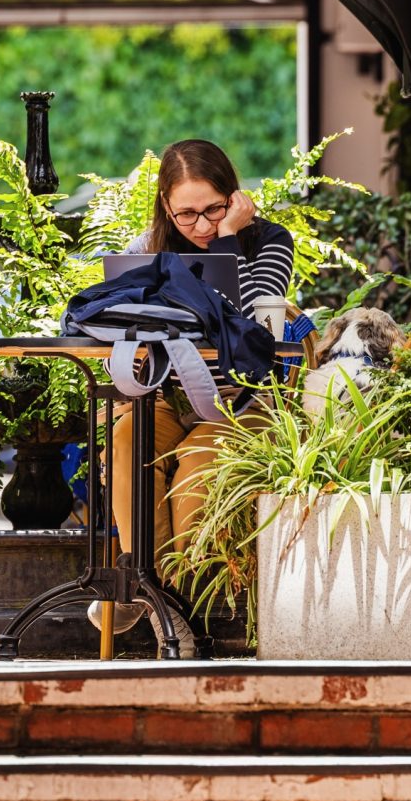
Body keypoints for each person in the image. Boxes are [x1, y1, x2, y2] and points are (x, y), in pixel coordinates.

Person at [92, 139, 294, 653]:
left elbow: (251, 323)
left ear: (235, 197)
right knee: (125, 443)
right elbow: (117, 321)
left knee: (196, 467)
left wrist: (231, 239)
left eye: (214, 210)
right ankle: (156, 601)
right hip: (166, 397)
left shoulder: (269, 242)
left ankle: (171, 602)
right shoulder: (148, 250)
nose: (202, 226)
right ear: (165, 206)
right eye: (187, 215)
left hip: (242, 402)